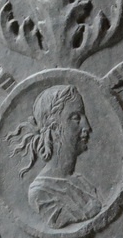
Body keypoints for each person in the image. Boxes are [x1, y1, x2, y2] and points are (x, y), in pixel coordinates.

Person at [7, 85, 101, 227]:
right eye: (76, 118)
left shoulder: (81, 182)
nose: (87, 126)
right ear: (55, 128)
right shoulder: (41, 194)